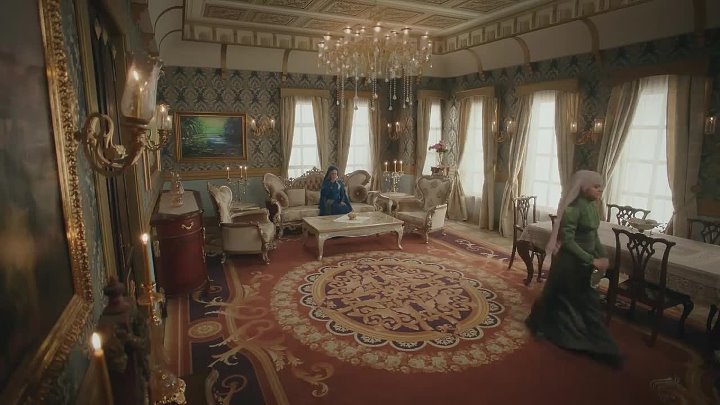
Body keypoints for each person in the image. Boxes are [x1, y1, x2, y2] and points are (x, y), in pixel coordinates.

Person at [525, 170, 623, 368]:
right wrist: (591, 260)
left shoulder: (592, 208)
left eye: (601, 187)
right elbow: (568, 242)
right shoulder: (572, 210)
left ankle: (601, 345)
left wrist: (602, 254)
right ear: (584, 187)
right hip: (569, 263)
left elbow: (593, 236)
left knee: (583, 302)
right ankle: (581, 340)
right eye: (596, 187)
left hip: (583, 263)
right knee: (562, 298)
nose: (600, 191)